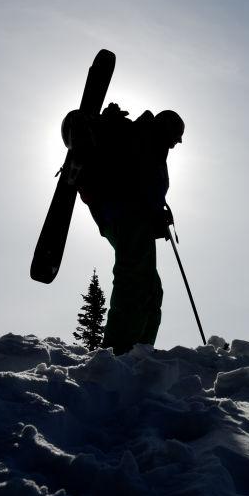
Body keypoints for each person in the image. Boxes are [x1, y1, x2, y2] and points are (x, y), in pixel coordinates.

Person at [70, 102, 184, 355]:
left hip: (135, 217)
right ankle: (119, 349)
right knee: (134, 278)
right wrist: (107, 120)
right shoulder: (141, 133)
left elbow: (143, 184)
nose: (176, 144)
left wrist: (158, 216)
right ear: (167, 128)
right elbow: (124, 165)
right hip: (124, 213)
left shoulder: (152, 147)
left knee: (152, 288)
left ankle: (141, 351)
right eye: (176, 138)